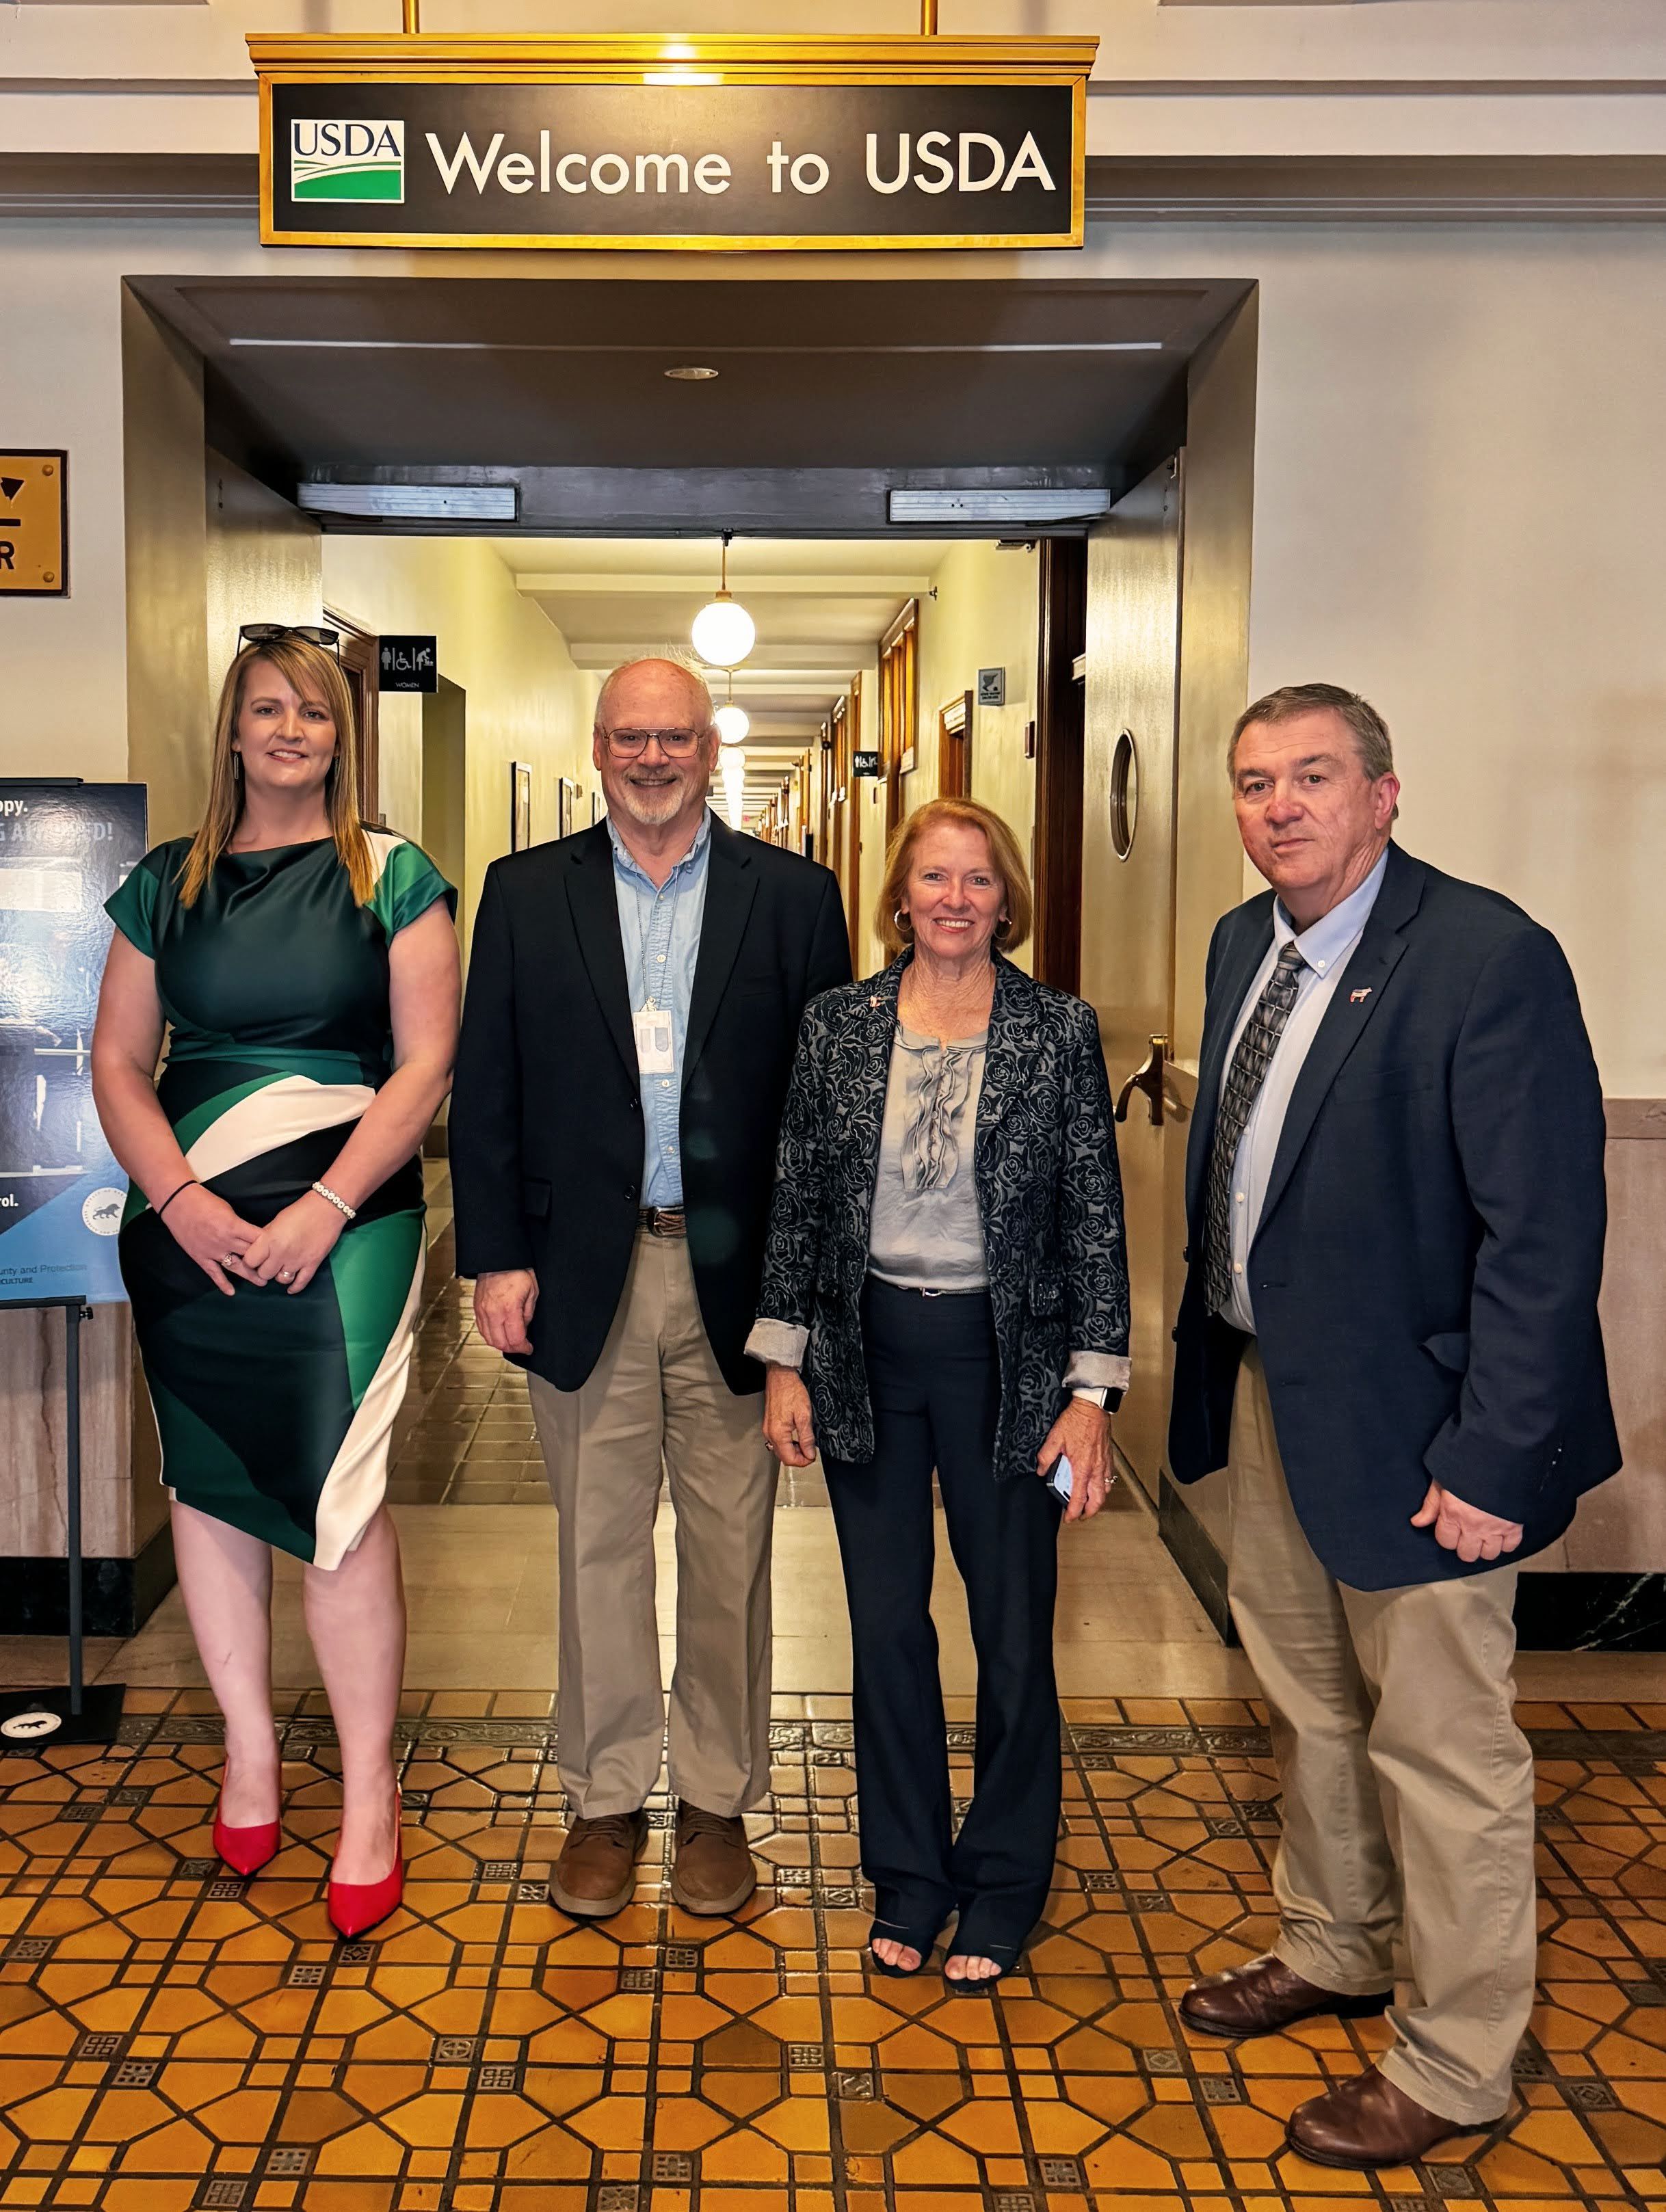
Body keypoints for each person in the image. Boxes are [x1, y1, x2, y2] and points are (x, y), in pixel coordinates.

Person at [1167, 683, 1619, 2166]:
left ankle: (1458, 2055)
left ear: (1384, 794)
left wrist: (1494, 1460)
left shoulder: (1488, 958)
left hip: (1427, 1429)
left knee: (1444, 1747)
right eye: (1254, 782)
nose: (1279, 806)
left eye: (1312, 777)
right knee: (1310, 1706)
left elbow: (1543, 1239)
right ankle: (1339, 1940)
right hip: (1272, 1391)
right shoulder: (1249, 943)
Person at [450, 656, 850, 1922]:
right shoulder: (524, 895)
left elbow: (821, 1117)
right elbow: (489, 1085)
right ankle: (607, 1799)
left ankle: (721, 1802)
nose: (654, 757)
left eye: (676, 737)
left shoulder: (793, 899)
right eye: (631, 737)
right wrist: (496, 1257)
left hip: (735, 1282)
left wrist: (800, 1307)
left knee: (731, 1555)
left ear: (711, 752)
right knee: (598, 1550)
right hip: (583, 1275)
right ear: (597, 747)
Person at [92, 624, 459, 1939]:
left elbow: (424, 1066)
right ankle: (249, 1750)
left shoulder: (397, 876)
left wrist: (323, 1203)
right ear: (234, 730)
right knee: (210, 1481)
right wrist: (181, 1202)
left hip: (344, 1218)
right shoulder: (163, 884)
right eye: (267, 710)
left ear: (340, 732)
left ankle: (370, 1799)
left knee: (337, 1487)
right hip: (184, 1218)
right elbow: (121, 1063)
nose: (291, 730)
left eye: (312, 711)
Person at [750, 797, 1130, 1988]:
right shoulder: (841, 1027)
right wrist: (783, 1359)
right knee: (887, 1630)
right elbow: (801, 1198)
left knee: (1013, 1635)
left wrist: (1093, 1393)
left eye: (976, 880)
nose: (955, 900)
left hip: (1006, 1363)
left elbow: (1093, 1222)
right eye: (933, 879)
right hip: (868, 1354)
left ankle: (1008, 1878)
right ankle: (909, 1878)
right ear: (899, 896)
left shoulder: (1057, 1033)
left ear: (1004, 898)